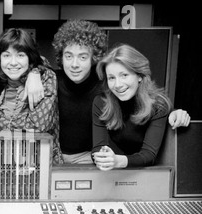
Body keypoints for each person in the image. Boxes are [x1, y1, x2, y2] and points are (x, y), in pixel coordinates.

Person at [51, 19, 191, 165]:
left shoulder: (107, 89)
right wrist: (34, 74)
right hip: (56, 156)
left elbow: (154, 106)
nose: (74, 64)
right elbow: (33, 61)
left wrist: (175, 113)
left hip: (95, 161)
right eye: (68, 56)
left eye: (83, 57)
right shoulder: (51, 81)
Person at [0, 28, 63, 164]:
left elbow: (40, 125)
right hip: (7, 161)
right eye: (6, 55)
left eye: (20, 55)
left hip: (40, 162)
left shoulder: (45, 77)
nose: (13, 62)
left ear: (30, 57)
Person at [92, 44, 173, 170]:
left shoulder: (158, 105)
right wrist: (103, 158)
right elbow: (97, 148)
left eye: (124, 75)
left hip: (149, 172)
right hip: (113, 171)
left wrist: (118, 161)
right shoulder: (101, 102)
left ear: (140, 75)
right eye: (112, 78)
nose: (118, 84)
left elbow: (149, 155)